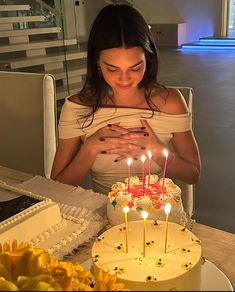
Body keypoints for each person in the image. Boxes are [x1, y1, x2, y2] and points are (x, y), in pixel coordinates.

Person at [51, 3, 201, 195]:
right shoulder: (78, 107)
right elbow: (55, 187)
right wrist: (90, 148)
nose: (124, 79)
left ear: (148, 59)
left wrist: (158, 152)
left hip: (152, 218)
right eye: (112, 69)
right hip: (101, 215)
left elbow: (193, 175)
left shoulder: (169, 102)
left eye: (135, 67)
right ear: (97, 62)